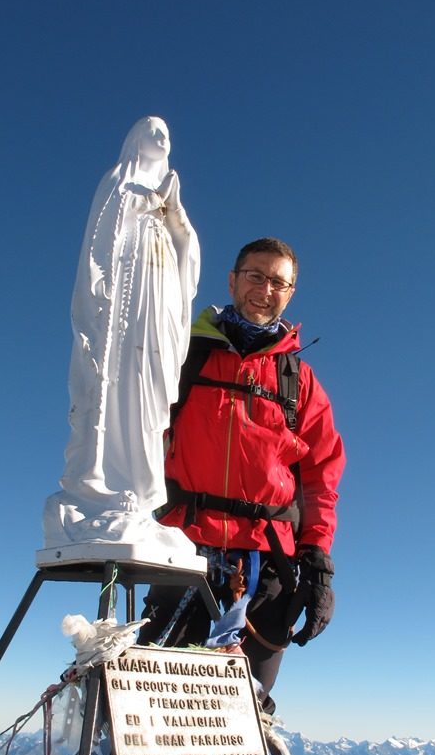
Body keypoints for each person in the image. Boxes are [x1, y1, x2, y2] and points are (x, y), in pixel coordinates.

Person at [138, 237, 345, 713]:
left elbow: (321, 478)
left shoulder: (300, 382)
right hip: (182, 551)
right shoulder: (183, 357)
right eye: (255, 275)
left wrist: (317, 561)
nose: (265, 289)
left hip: (268, 565)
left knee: (245, 714)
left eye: (279, 282)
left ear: (289, 294)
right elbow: (140, 435)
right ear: (232, 280)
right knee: (151, 706)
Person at [43, 116, 200, 549]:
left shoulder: (169, 195)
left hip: (158, 309)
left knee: (149, 400)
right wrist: (143, 206)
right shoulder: (119, 183)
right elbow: (101, 239)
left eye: (167, 133)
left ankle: (141, 496)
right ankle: (104, 487)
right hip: (124, 311)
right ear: (136, 138)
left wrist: (175, 217)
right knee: (118, 396)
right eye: (153, 130)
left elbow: (188, 260)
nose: (162, 137)